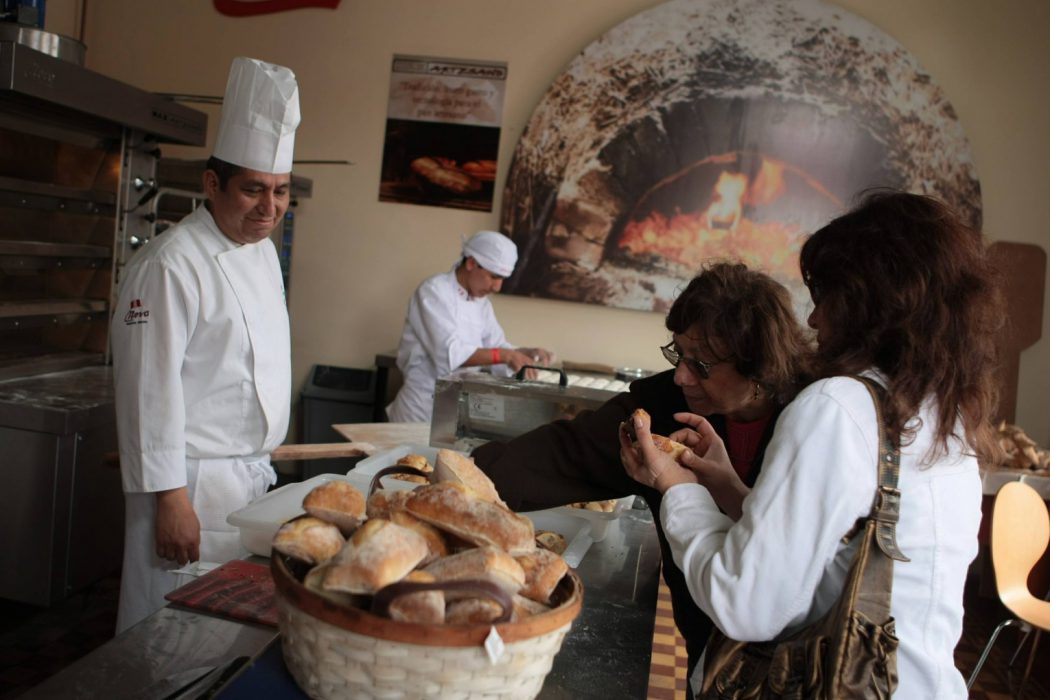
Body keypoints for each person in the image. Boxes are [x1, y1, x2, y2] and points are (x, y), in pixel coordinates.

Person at [622, 191, 1003, 697]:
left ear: (871, 302)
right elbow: (836, 550)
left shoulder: (836, 405)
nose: (813, 319)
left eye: (825, 296)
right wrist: (731, 488)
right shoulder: (946, 419)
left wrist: (674, 487)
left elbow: (745, 603)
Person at [473, 261, 814, 677]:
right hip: (702, 640)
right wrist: (471, 481)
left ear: (758, 367)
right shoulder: (663, 406)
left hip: (796, 660)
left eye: (702, 365)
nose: (682, 377)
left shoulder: (812, 426)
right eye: (678, 354)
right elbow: (571, 451)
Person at [111, 56, 300, 633]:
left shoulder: (262, 251)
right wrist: (170, 498)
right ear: (212, 184)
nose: (269, 209)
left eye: (281, 192)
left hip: (246, 482)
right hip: (188, 484)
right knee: (166, 632)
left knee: (225, 635)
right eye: (253, 190)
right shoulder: (171, 264)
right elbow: (148, 387)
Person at [386, 230, 555, 423]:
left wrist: (525, 352)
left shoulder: (481, 303)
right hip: (420, 407)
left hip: (458, 406)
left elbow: (496, 345)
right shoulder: (434, 291)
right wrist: (507, 355)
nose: (497, 287)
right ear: (472, 263)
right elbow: (450, 353)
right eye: (494, 276)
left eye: (502, 279)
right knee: (412, 454)